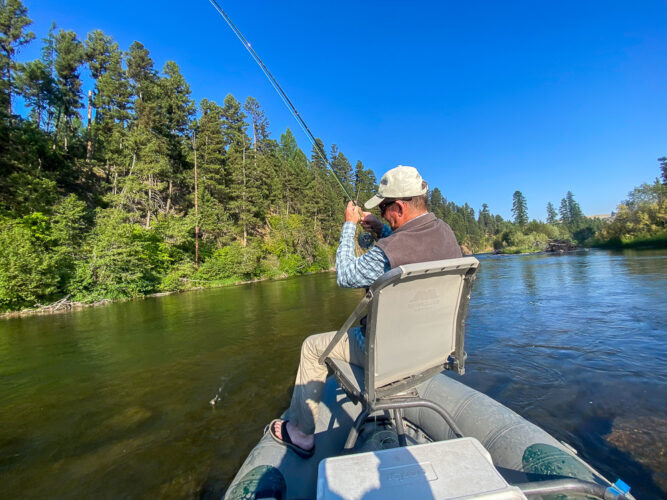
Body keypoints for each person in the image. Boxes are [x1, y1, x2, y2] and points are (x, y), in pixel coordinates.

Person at [268, 165, 461, 457]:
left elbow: (345, 275)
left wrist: (349, 225)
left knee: (311, 347)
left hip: (389, 353)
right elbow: (411, 244)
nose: (382, 214)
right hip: (431, 350)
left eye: (384, 209)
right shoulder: (446, 234)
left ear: (399, 206)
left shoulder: (387, 252)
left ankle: (302, 434)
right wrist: (382, 229)